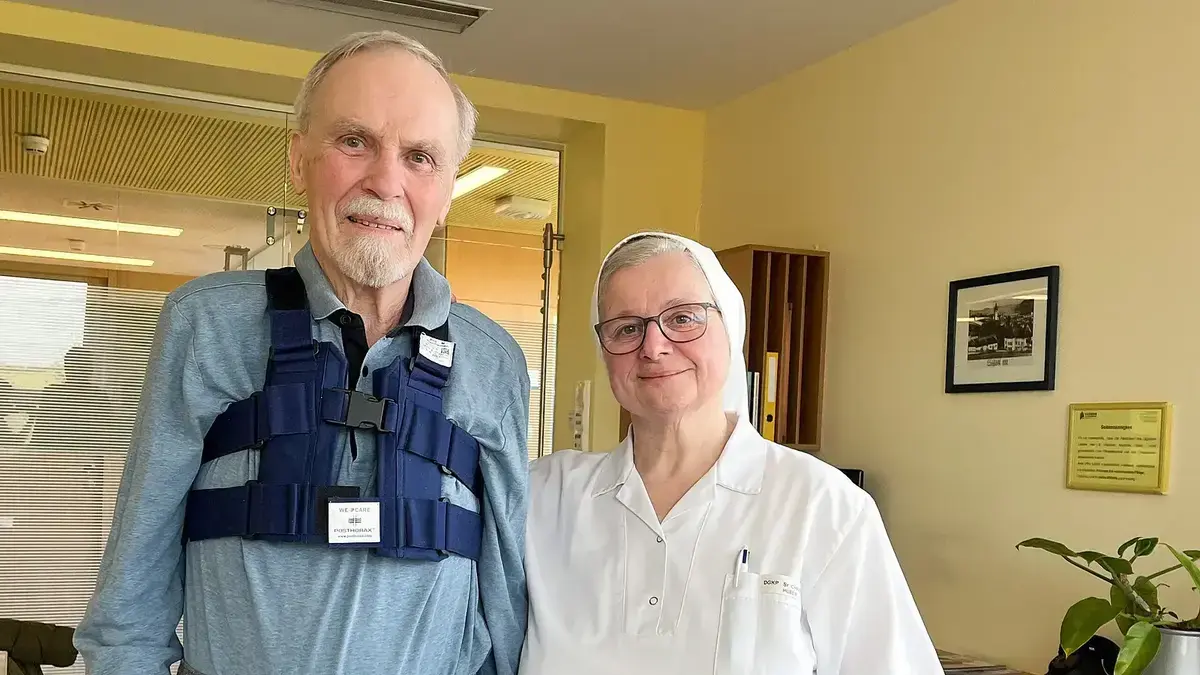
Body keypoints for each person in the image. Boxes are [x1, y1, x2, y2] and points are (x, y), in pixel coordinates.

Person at [74, 31, 530, 675]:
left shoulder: (493, 361)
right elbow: (133, 591)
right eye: (354, 141)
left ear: (448, 188)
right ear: (297, 160)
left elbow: (506, 599)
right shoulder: (208, 325)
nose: (385, 181)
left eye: (421, 156)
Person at [520, 232, 941, 674]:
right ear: (604, 352)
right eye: (627, 327)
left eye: (683, 318)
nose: (654, 346)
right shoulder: (544, 497)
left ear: (732, 328)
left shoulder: (822, 506)